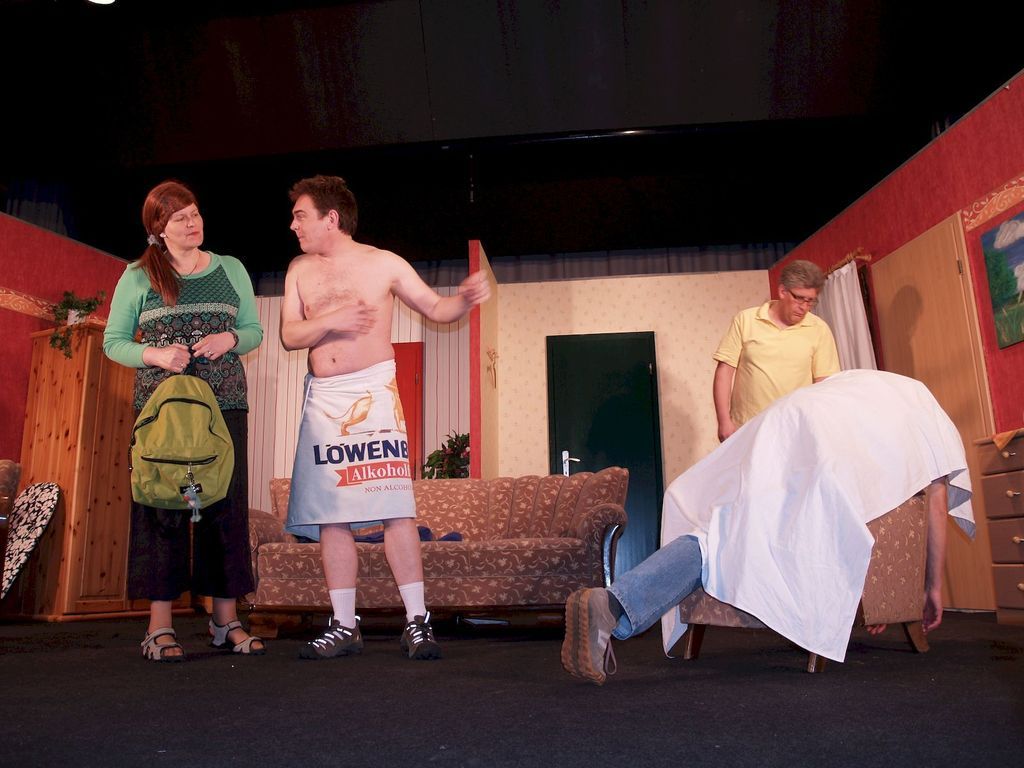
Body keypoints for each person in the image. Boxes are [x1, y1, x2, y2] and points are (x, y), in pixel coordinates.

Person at [562, 370, 974, 684]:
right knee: (746, 534)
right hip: (816, 437)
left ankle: (611, 605)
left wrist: (872, 598)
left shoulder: (876, 387)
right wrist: (930, 588)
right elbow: (930, 508)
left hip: (787, 418)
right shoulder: (930, 426)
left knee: (723, 533)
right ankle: (613, 607)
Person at [279, 174, 490, 661]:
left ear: (331, 218)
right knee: (332, 517)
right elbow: (290, 335)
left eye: (301, 215)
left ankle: (417, 620)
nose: (294, 225)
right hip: (324, 400)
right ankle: (343, 625)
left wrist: (464, 299)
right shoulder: (299, 270)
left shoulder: (384, 263)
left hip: (374, 394)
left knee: (396, 508)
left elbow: (436, 307)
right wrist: (331, 320)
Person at [104, 180, 265, 662]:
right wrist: (156, 354)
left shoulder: (231, 268)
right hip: (163, 411)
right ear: (159, 228)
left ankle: (225, 620)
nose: (192, 223)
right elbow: (114, 341)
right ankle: (159, 626)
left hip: (224, 406)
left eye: (195, 213)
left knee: (224, 506)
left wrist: (229, 340)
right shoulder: (138, 275)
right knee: (162, 506)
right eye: (180, 218)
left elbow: (253, 330)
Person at [713, 259, 840, 441]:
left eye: (810, 301)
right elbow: (724, 372)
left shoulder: (819, 329)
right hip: (748, 428)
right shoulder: (746, 320)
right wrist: (724, 421)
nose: (804, 307)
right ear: (782, 291)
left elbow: (824, 384)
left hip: (795, 429)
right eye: (799, 298)